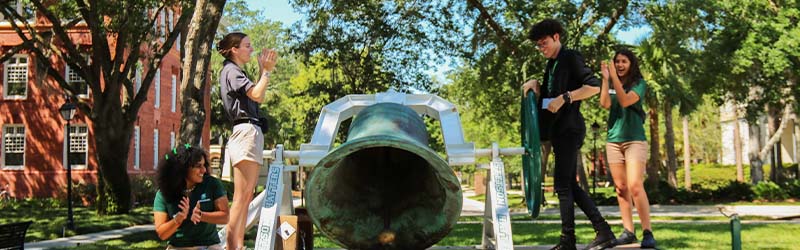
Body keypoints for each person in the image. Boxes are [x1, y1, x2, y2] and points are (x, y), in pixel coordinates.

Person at [522, 19, 616, 250]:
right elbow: (549, 99)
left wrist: (566, 98)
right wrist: (536, 86)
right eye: (537, 45)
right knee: (569, 186)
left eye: (543, 43)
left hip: (570, 129)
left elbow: (593, 86)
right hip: (557, 131)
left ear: (556, 37)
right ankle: (602, 230)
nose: (541, 48)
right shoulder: (551, 65)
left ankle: (568, 240)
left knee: (563, 187)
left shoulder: (570, 57)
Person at [217, 32, 279, 249]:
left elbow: (258, 95)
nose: (251, 50)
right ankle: (232, 246)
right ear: (235, 49)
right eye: (247, 46)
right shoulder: (232, 71)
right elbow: (256, 94)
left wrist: (264, 72)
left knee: (246, 194)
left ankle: (238, 245)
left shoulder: (236, 72)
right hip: (246, 133)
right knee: (242, 196)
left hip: (248, 132)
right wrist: (267, 72)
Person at [599, 49, 656, 248]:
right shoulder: (613, 82)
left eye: (624, 61)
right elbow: (605, 104)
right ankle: (628, 231)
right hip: (613, 141)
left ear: (631, 64)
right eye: (617, 61)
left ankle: (647, 232)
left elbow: (624, 101)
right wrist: (606, 80)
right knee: (621, 188)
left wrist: (613, 76)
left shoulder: (639, 84)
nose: (620, 65)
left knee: (635, 186)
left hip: (634, 140)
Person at [154, 145, 229, 250]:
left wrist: (201, 215)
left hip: (208, 246)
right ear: (183, 168)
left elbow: (225, 217)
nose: (203, 170)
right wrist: (177, 220)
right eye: (198, 166)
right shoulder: (163, 194)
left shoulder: (212, 184)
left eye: (204, 165)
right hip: (178, 247)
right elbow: (162, 233)